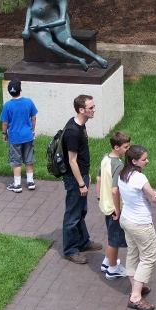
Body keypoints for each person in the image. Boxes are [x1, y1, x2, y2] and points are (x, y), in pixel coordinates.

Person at [21, 0, 108, 72]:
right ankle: (78, 60)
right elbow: (30, 6)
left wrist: (42, 26)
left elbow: (62, 20)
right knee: (49, 45)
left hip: (55, 19)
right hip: (38, 21)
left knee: (67, 41)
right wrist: (26, 29)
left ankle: (96, 57)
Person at [62, 94, 102, 264]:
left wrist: (86, 175)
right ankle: (70, 250)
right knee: (72, 214)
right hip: (74, 180)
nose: (94, 110)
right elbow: (72, 161)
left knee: (81, 211)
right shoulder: (72, 132)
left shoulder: (81, 125)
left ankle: (83, 242)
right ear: (81, 110)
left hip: (82, 176)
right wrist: (80, 183)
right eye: (91, 107)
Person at [118, 145, 156, 310]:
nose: (147, 161)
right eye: (144, 159)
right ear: (134, 161)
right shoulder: (140, 179)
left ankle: (136, 285)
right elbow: (153, 198)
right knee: (148, 257)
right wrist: (154, 195)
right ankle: (135, 297)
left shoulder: (122, 175)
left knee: (133, 253)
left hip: (126, 220)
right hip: (141, 224)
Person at [96, 131, 131, 280]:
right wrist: (118, 209)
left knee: (110, 235)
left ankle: (106, 261)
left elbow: (98, 178)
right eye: (125, 147)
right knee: (114, 240)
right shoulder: (118, 165)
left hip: (105, 204)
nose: (128, 150)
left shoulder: (105, 158)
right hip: (113, 208)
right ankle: (112, 269)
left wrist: (99, 197)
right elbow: (115, 190)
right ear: (117, 147)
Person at [0, 78, 38, 193]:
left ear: (9, 92)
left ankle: (17, 184)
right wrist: (32, 130)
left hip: (15, 137)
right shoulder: (29, 102)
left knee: (16, 161)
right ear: (21, 89)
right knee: (29, 159)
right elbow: (34, 118)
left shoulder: (8, 106)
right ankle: (30, 182)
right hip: (27, 135)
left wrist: (4, 133)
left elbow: (5, 122)